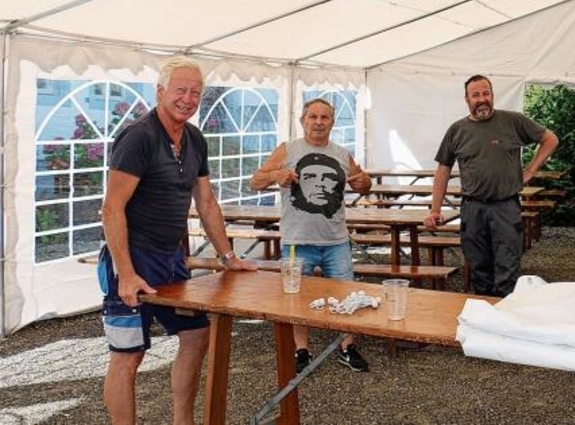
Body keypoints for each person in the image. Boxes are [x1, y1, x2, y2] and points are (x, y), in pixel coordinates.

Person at [99, 56, 258, 425]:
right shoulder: (139, 136)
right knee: (127, 356)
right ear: (160, 91)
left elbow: (206, 201)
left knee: (197, 334)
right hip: (131, 259)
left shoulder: (194, 138)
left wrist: (228, 255)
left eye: (195, 93)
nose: (187, 99)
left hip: (171, 259)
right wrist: (125, 272)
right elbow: (111, 208)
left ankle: (181, 421)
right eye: (180, 90)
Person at [251, 98, 374, 373]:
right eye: (313, 117)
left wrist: (365, 182)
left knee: (347, 296)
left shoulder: (342, 154)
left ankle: (347, 346)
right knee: (296, 299)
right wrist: (276, 175)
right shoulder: (288, 149)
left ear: (332, 122)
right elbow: (255, 180)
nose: (318, 122)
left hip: (336, 240)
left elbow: (364, 184)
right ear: (303, 120)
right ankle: (301, 350)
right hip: (296, 241)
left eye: (325, 117)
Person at [424, 75, 558, 297]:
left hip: (506, 207)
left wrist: (531, 170)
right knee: (478, 268)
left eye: (486, 93)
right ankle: (484, 316)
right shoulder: (457, 130)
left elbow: (550, 139)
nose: (481, 99)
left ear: (493, 95)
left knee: (507, 267)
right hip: (472, 209)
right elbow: (443, 170)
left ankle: (506, 320)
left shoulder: (513, 122)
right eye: (475, 95)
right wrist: (435, 210)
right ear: (466, 99)